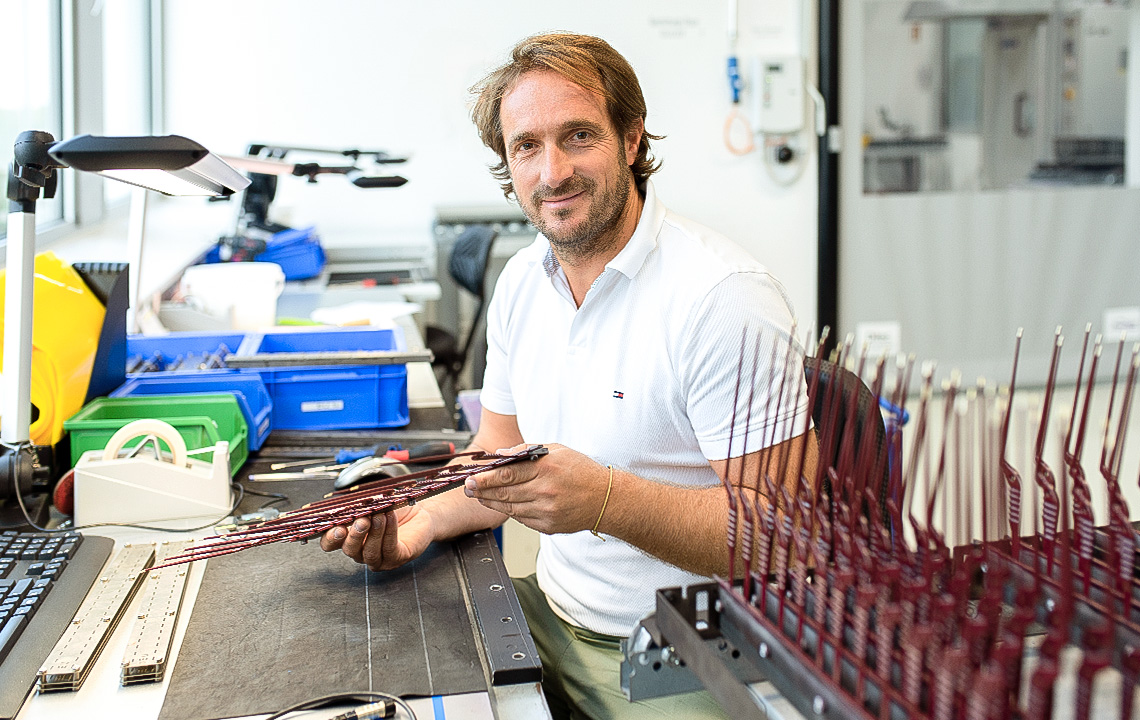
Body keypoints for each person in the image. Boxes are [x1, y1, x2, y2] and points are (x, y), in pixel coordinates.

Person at [322, 32, 817, 719]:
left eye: (578, 136)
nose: (552, 172)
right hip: (551, 617)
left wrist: (606, 499)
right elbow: (494, 463)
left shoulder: (722, 299)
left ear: (632, 138)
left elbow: (781, 535)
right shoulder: (525, 280)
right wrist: (421, 518)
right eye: (527, 146)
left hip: (683, 652)